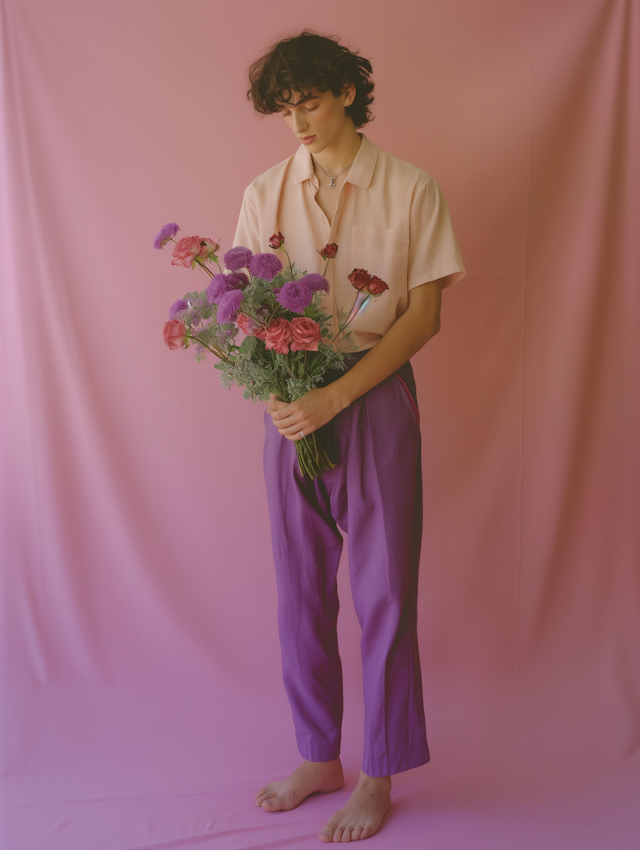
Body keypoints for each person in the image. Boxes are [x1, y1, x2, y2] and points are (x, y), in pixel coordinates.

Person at [233, 30, 465, 843]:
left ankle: (380, 771)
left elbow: (425, 315)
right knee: (299, 591)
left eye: (311, 101)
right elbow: (245, 305)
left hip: (371, 399)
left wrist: (338, 395)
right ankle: (317, 756)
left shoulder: (410, 188)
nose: (297, 120)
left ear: (347, 95)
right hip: (289, 404)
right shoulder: (265, 192)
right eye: (285, 107)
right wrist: (280, 391)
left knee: (385, 595)